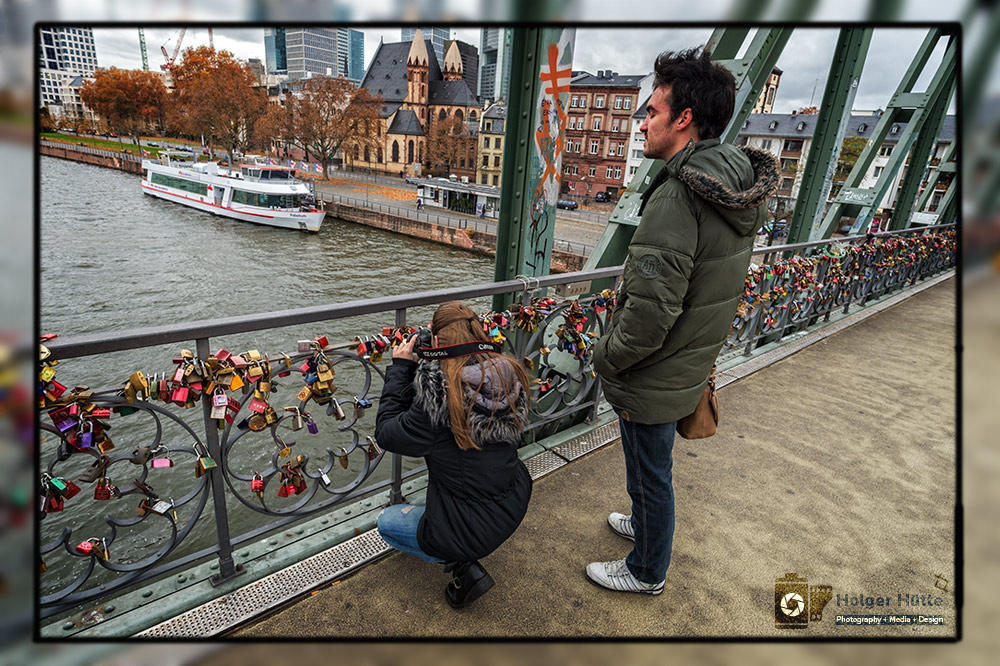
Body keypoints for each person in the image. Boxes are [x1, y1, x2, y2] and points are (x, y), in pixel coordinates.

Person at [589, 46, 779, 595]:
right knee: (653, 470)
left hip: (656, 367)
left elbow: (649, 313)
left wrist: (606, 356)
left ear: (684, 118)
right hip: (687, 360)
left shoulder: (677, 195)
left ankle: (647, 570)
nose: (643, 123)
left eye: (651, 112)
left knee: (651, 473)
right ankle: (646, 529)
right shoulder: (733, 182)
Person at [374, 301, 533, 608]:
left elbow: (387, 433)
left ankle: (461, 563)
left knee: (387, 521)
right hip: (514, 501)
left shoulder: (439, 396)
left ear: (435, 342)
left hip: (470, 530)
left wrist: (402, 368)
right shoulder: (509, 373)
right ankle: (462, 541)